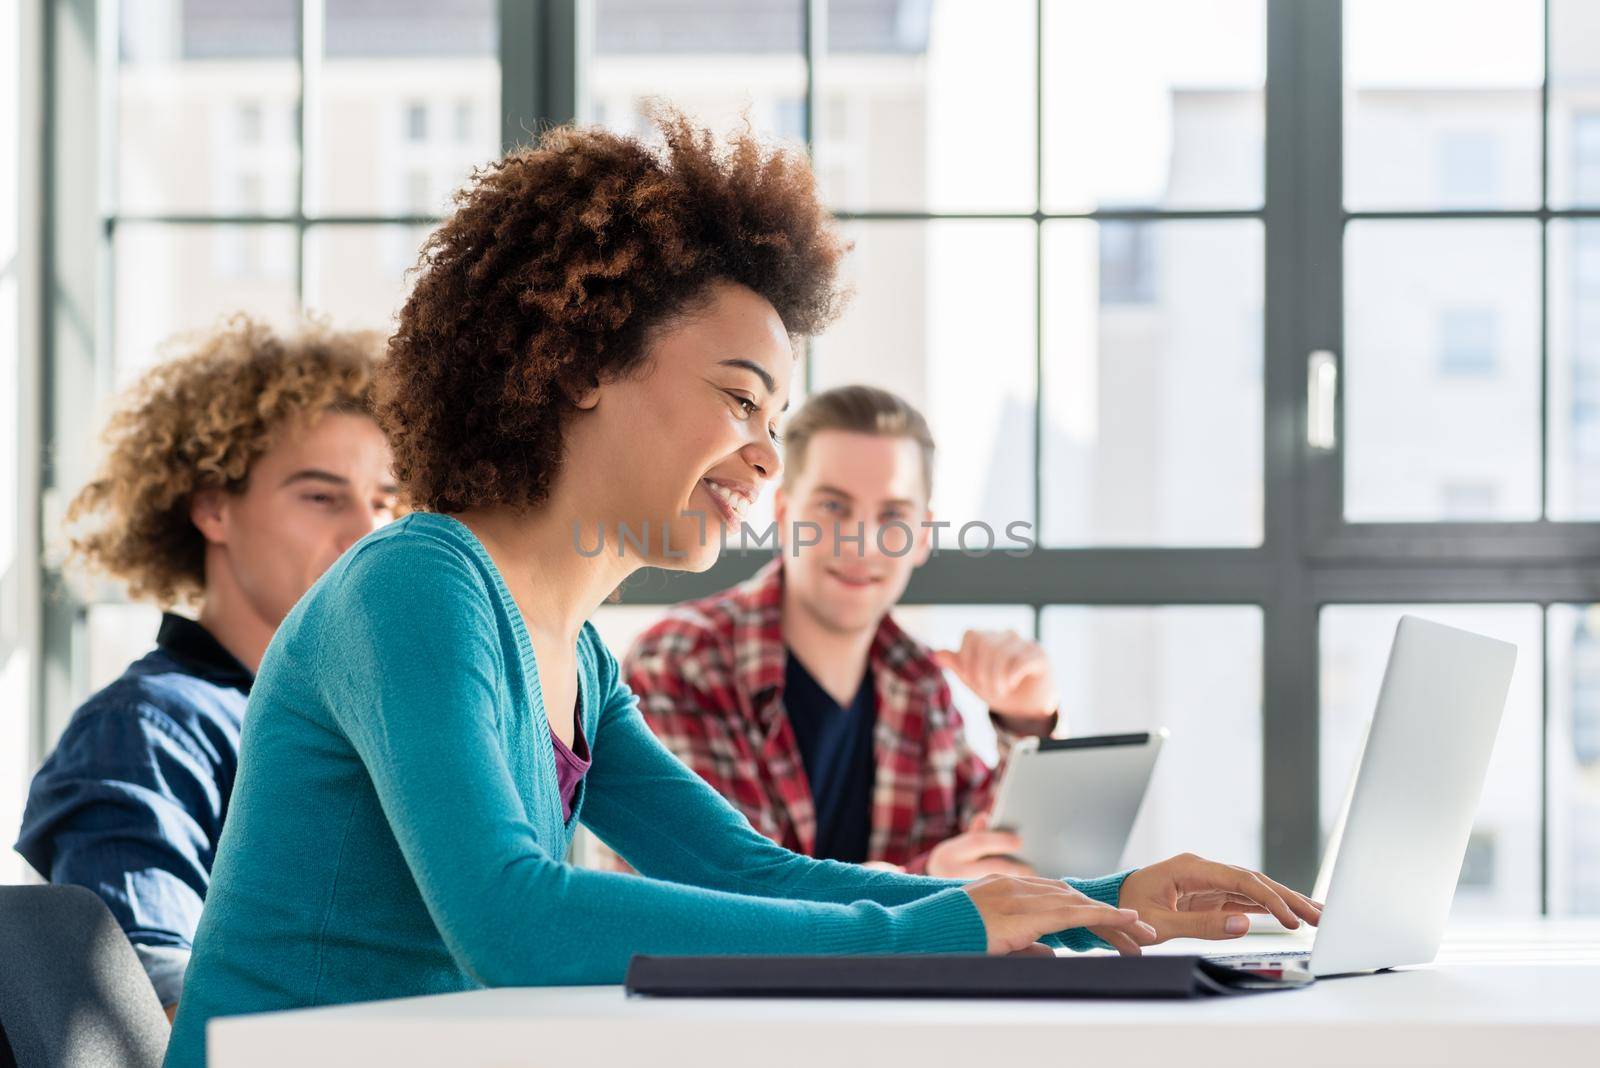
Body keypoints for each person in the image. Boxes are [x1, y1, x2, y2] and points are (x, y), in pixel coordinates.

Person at [164, 116, 1319, 1068]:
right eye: (738, 398)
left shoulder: (578, 656)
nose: (767, 456)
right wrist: (941, 930)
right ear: (575, 367)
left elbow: (745, 869)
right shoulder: (414, 586)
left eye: (776, 420)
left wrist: (1099, 901)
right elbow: (512, 920)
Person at [15, 317, 398, 1020]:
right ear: (214, 508)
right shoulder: (148, 730)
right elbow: (144, 1003)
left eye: (385, 501)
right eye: (321, 497)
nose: (368, 532)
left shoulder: (365, 726)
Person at [621, 384, 1061, 877]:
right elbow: (728, 899)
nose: (861, 543)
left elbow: (999, 851)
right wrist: (933, 886)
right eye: (833, 507)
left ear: (921, 537)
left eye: (893, 516)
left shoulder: (916, 679)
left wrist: (1027, 722)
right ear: (786, 516)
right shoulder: (681, 662)